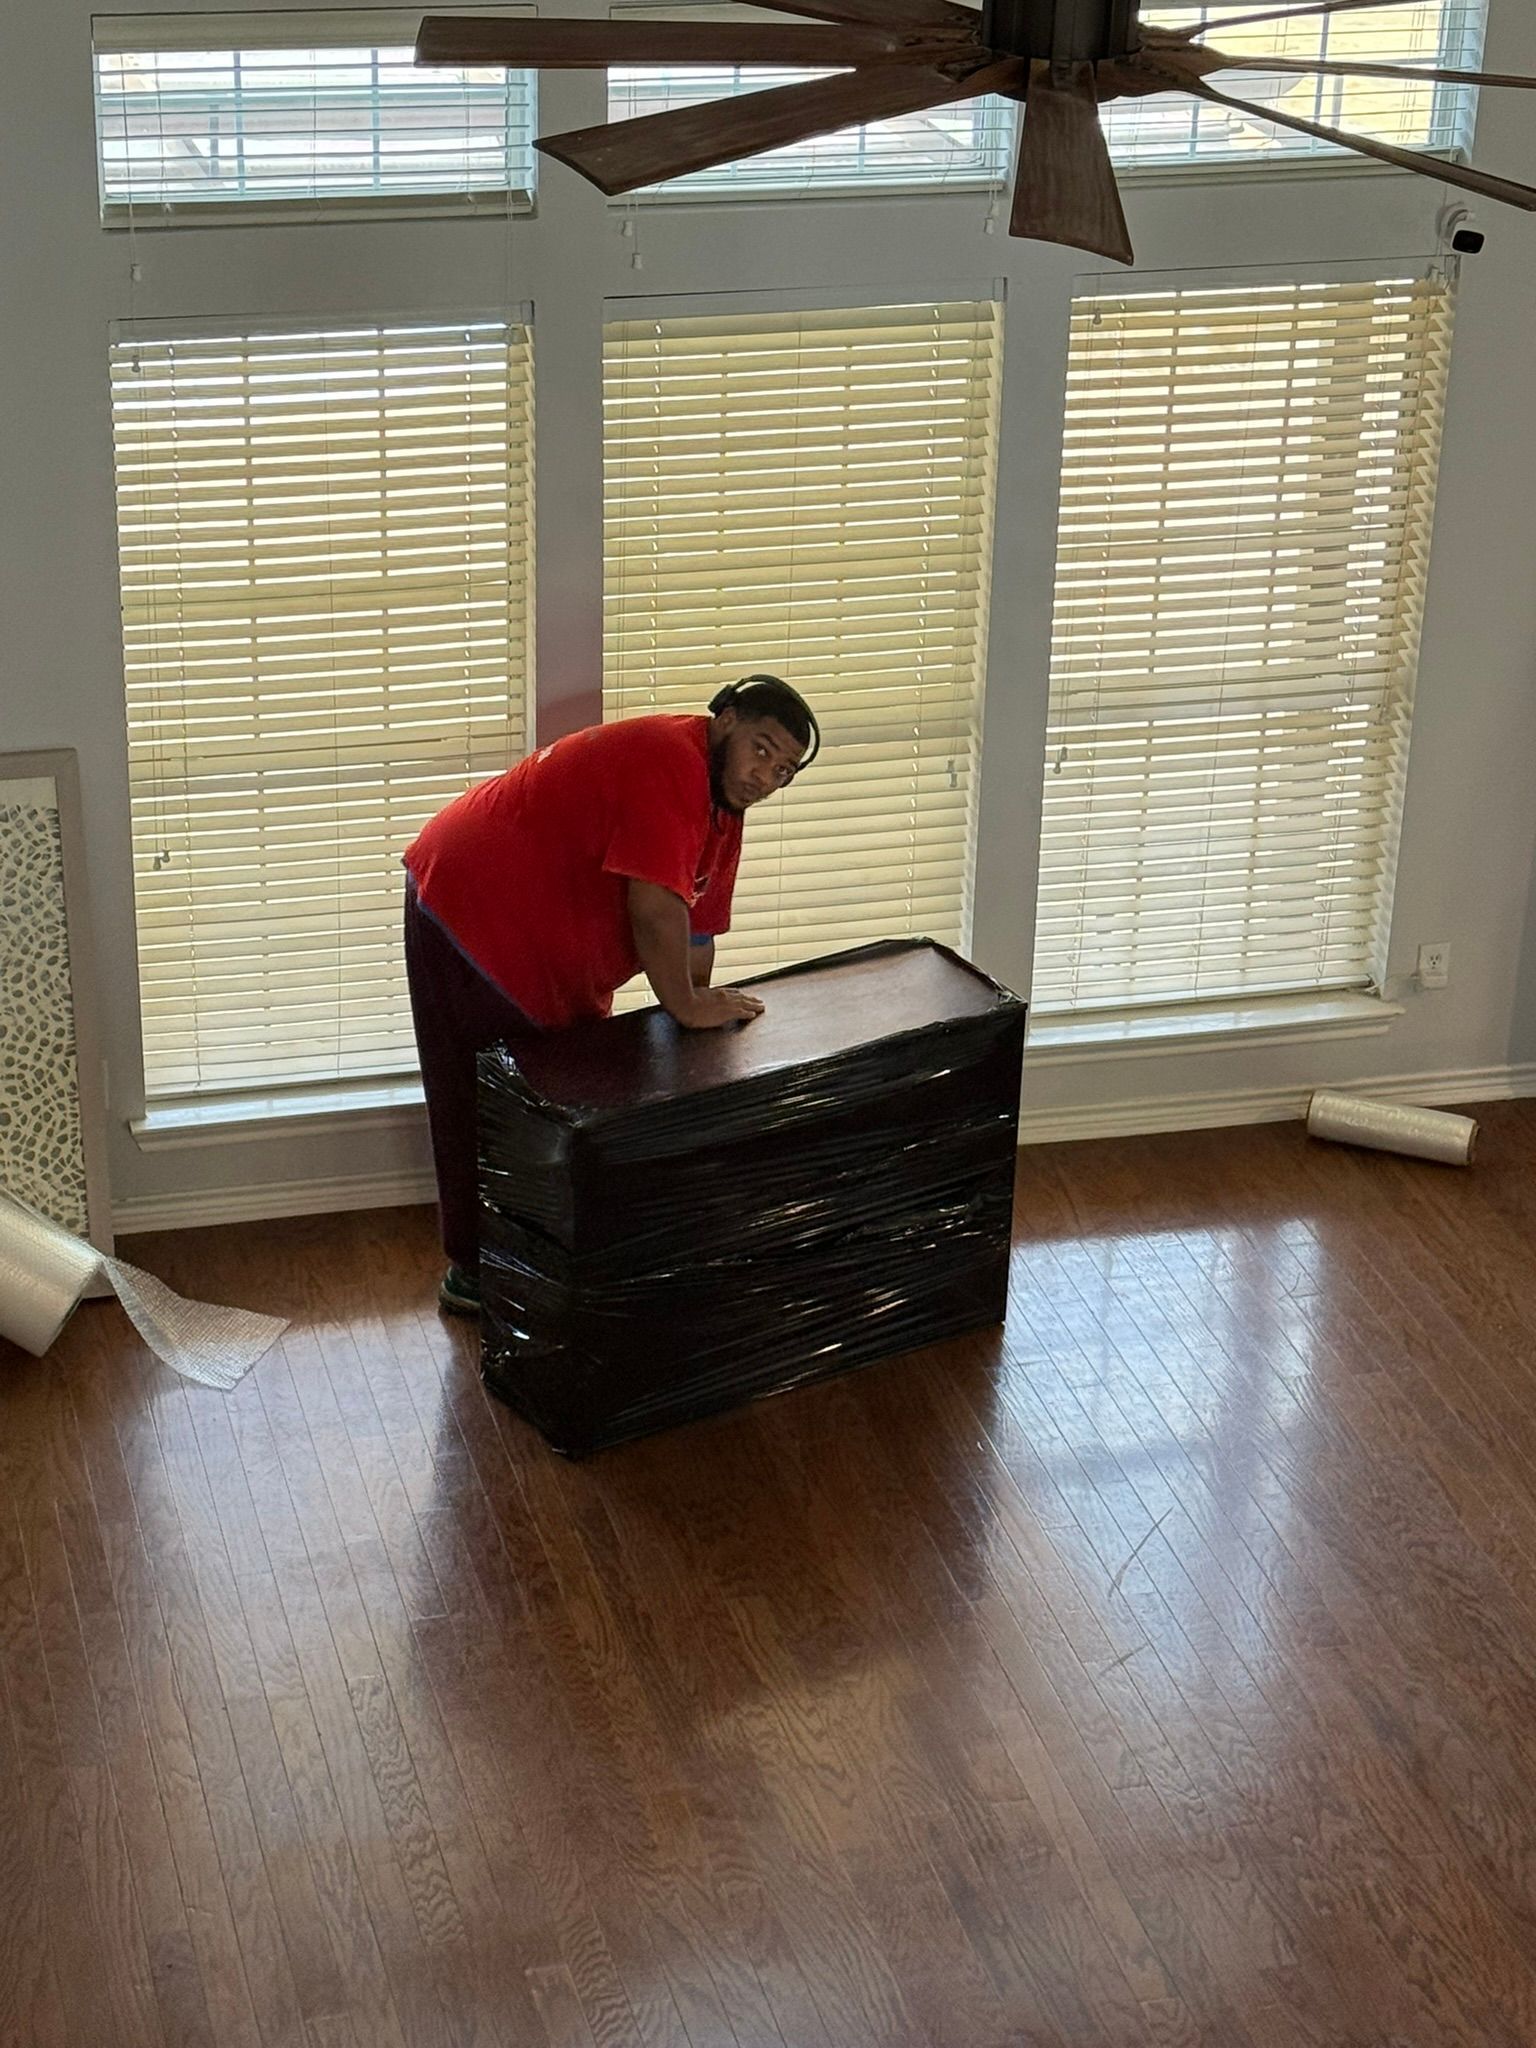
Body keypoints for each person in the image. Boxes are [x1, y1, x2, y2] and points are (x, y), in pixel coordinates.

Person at [402, 675, 820, 1314]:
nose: (766, 776)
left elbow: (696, 928)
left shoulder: (723, 811)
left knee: (560, 1100)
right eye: (761, 750)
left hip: (541, 936)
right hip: (471, 907)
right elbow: (654, 909)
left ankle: (544, 1264)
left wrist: (697, 1019)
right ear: (726, 719)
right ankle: (476, 1275)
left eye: (783, 770)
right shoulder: (670, 760)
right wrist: (685, 1006)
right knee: (490, 1104)